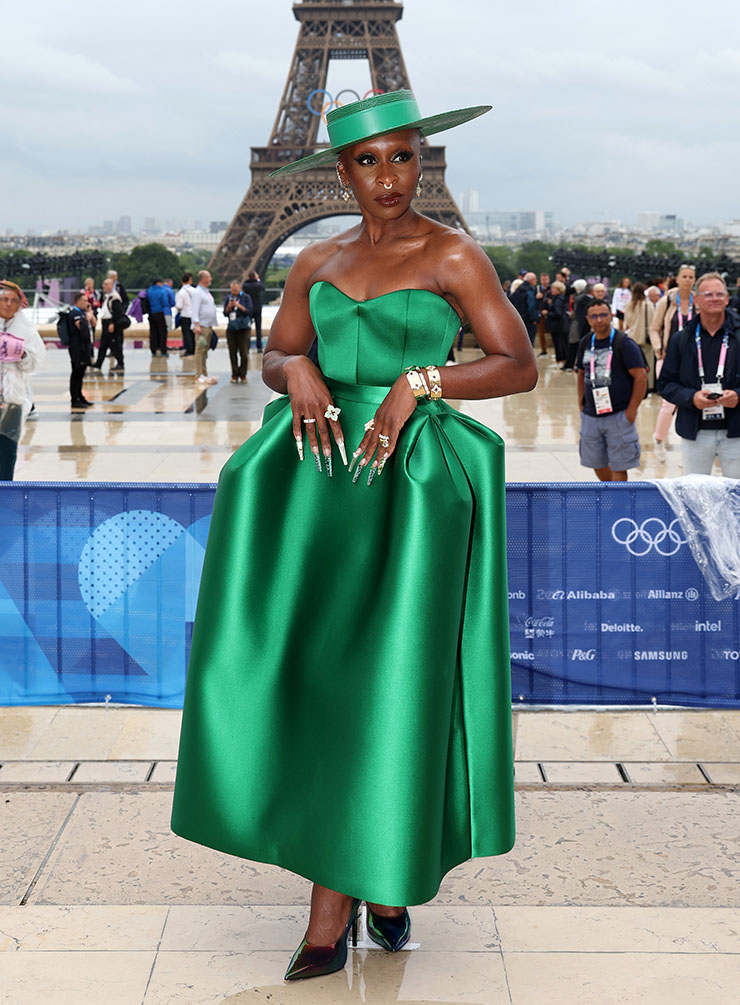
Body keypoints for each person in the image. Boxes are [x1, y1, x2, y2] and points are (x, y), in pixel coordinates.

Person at [171, 89, 537, 983]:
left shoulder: (455, 254)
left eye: (404, 157)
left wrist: (422, 381)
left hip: (411, 485)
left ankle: (345, 902)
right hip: (321, 481)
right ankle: (362, 884)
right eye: (369, 162)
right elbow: (275, 352)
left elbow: (519, 364)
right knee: (324, 677)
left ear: (423, 162)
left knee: (392, 677)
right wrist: (294, 367)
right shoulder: (314, 259)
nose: (388, 176)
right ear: (340, 172)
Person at [656, 273, 740, 477]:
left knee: (736, 497)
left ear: (727, 299)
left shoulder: (737, 335)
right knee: (696, 494)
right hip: (696, 431)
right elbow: (665, 384)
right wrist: (691, 398)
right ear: (697, 299)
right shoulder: (681, 339)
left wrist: (738, 395)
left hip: (736, 431)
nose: (715, 299)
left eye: (720, 294)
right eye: (708, 294)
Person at [577, 299, 647, 481]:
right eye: (594, 316)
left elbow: (641, 377)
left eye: (603, 315)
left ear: (611, 316)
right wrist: (580, 402)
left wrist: (631, 411)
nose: (599, 320)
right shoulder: (585, 343)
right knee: (596, 463)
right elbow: (581, 372)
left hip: (618, 415)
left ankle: (617, 505)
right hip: (591, 415)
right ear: (588, 319)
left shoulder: (624, 343)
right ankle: (610, 495)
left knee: (620, 465)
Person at [649, 264, 697, 462]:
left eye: (691, 277)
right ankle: (659, 439)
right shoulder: (667, 300)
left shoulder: (698, 301)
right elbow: (654, 327)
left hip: (694, 359)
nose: (687, 280)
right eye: (684, 276)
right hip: (669, 357)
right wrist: (659, 348)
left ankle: (692, 443)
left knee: (695, 400)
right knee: (668, 404)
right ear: (677, 279)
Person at [0, 281, 45, 479]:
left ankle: (5, 494)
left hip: (12, 399)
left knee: (7, 450)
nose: (8, 304)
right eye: (4, 299)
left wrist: (21, 355)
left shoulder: (25, 329)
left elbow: (37, 360)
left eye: (13, 300)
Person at [623, 282, 655, 391]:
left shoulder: (629, 305)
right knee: (648, 363)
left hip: (632, 338)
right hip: (646, 338)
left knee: (634, 364)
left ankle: (635, 384)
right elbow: (653, 322)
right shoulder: (649, 305)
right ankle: (649, 386)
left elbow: (626, 324)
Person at [190, 270, 218, 385]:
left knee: (204, 351)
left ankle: (204, 373)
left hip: (207, 325)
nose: (211, 279)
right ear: (204, 279)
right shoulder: (198, 293)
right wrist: (196, 325)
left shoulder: (205, 292)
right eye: (209, 277)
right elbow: (194, 310)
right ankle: (198, 375)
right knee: (200, 351)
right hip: (201, 326)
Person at [67, 291, 94, 410]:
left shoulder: (82, 313)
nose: (87, 303)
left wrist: (90, 314)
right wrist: (86, 319)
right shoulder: (74, 314)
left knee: (81, 373)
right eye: (84, 301)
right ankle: (75, 399)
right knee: (76, 373)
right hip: (77, 348)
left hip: (84, 348)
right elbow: (82, 328)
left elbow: (94, 324)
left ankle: (80, 396)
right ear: (78, 302)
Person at [223, 280, 253, 382]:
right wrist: (229, 307)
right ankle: (234, 374)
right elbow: (225, 313)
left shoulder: (246, 297)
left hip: (243, 328)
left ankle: (243, 374)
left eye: (235, 290)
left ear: (239, 288)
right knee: (232, 353)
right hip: (232, 328)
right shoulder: (228, 298)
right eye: (232, 290)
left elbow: (249, 311)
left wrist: (238, 306)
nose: (233, 292)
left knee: (244, 353)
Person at [93, 277, 126, 371]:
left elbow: (118, 313)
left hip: (111, 323)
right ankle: (99, 363)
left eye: (106, 284)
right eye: (104, 284)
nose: (104, 286)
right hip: (105, 322)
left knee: (116, 344)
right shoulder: (106, 296)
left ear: (112, 286)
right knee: (103, 345)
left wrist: (112, 323)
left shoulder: (115, 297)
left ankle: (120, 363)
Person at [563, 278, 589, 372]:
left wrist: (571, 315)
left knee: (574, 343)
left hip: (576, 323)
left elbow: (576, 312)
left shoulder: (579, 299)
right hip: (579, 323)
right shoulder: (582, 297)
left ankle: (571, 364)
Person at [544, 280, 569, 366]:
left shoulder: (558, 299)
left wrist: (547, 313)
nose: (551, 290)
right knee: (561, 343)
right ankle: (562, 360)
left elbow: (558, 313)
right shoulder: (559, 298)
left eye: (553, 288)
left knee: (558, 343)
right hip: (560, 325)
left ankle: (560, 361)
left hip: (558, 325)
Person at [509, 271, 539, 344]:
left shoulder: (518, 290)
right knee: (529, 342)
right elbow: (531, 307)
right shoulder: (529, 291)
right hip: (528, 320)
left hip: (518, 319)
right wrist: (534, 319)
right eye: (535, 279)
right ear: (531, 280)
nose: (536, 281)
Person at [242, 271, 265, 351]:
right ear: (255, 276)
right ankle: (259, 347)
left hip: (249, 308)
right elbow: (263, 288)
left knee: (248, 328)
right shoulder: (259, 285)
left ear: (248, 277)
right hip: (258, 308)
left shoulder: (245, 285)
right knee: (258, 328)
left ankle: (247, 347)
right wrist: (258, 279)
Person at [146, 279, 169, 357]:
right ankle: (163, 350)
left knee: (153, 332)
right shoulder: (162, 291)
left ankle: (153, 350)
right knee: (163, 332)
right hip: (159, 312)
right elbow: (165, 302)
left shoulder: (149, 291)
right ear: (158, 283)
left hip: (151, 314)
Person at [176, 274, 194, 356]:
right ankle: (194, 349)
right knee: (193, 333)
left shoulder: (181, 292)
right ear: (190, 280)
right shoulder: (195, 290)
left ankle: (189, 350)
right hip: (194, 315)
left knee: (186, 333)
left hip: (185, 315)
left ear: (182, 281)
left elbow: (179, 306)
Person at [535, 272, 550, 357]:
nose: (545, 281)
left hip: (550, 313)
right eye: (543, 280)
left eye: (546, 279)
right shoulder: (537, 290)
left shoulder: (551, 289)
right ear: (540, 280)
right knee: (541, 333)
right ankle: (543, 349)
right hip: (540, 314)